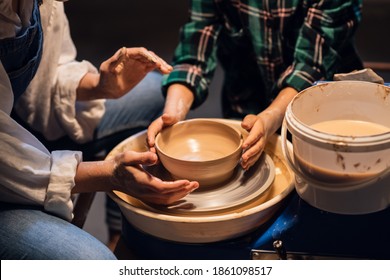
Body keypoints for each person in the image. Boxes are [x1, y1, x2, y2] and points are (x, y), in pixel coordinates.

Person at [0, 0, 198, 260]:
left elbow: (44, 80)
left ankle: (121, 237)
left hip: (16, 127)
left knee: (153, 92)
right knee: (97, 263)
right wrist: (107, 175)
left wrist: (101, 86)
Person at [147, 0, 364, 171]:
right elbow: (195, 51)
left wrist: (270, 119)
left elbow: (310, 65)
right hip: (246, 109)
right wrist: (173, 114)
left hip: (324, 112)